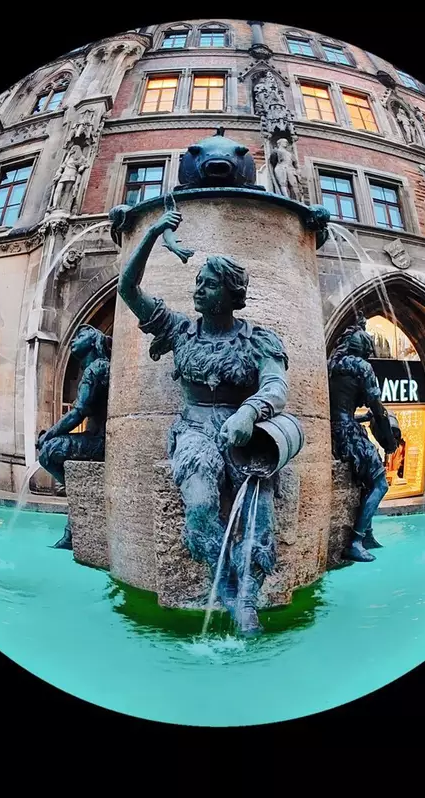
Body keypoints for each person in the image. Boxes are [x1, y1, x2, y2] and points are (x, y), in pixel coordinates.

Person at [117, 209, 291, 637]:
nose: (198, 289)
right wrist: (153, 233)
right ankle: (229, 589)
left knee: (260, 517)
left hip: (246, 435)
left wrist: (249, 412)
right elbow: (127, 289)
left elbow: (275, 386)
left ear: (231, 294)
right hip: (194, 433)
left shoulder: (258, 340)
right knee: (199, 509)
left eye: (209, 284)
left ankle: (248, 597)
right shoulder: (180, 331)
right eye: (198, 281)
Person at [329, 322, 401, 563]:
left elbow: (340, 410)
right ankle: (356, 541)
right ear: (365, 348)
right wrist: (388, 439)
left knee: (365, 480)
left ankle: (367, 534)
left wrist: (361, 418)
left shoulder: (333, 365)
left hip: (335, 429)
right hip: (348, 434)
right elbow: (378, 408)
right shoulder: (362, 367)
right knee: (380, 484)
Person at [37, 325, 112, 550]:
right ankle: (74, 516)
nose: (73, 339)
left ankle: (78, 492)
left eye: (80, 336)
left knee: (49, 451)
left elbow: (78, 412)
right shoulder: (95, 368)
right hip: (98, 438)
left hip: (101, 442)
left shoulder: (96, 369)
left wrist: (48, 435)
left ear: (93, 342)